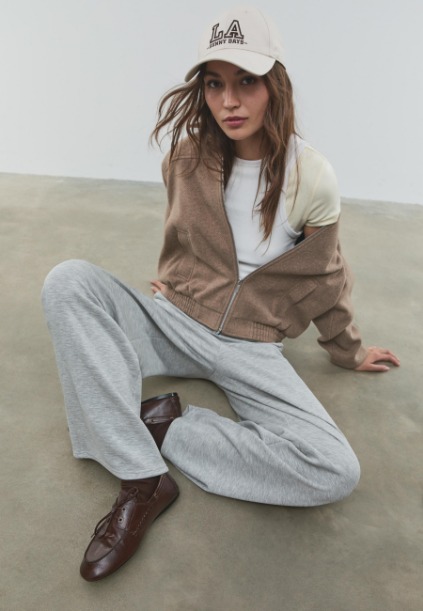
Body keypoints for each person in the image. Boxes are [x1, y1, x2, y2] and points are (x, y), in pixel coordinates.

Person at [41, 6, 400, 582]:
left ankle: (166, 427)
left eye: (246, 81)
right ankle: (142, 477)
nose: (229, 101)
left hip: (251, 346)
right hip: (175, 320)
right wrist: (176, 285)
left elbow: (326, 275)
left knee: (335, 470)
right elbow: (181, 234)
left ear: (274, 84)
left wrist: (348, 350)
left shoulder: (311, 176)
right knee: (68, 280)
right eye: (214, 84)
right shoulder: (185, 158)